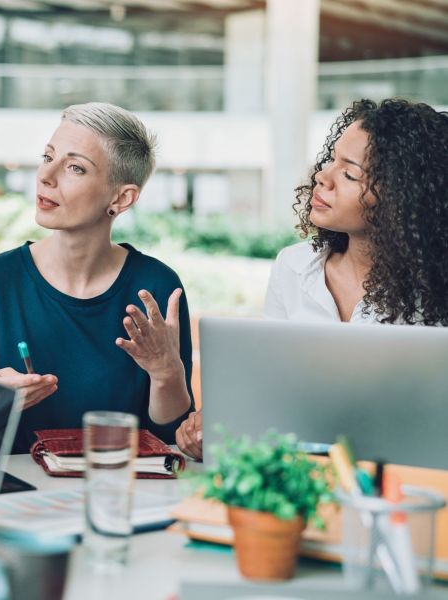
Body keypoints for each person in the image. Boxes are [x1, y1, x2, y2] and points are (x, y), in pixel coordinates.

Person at [176, 98, 448, 461]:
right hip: (303, 471)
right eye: (330, 160)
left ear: (402, 200)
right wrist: (219, 421)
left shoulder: (433, 293)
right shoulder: (294, 266)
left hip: (407, 479)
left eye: (350, 174)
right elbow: (272, 387)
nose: (323, 176)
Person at [0, 102, 195, 453]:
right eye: (48, 157)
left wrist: (167, 373)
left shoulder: (155, 290)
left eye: (75, 167)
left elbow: (170, 439)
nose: (46, 176)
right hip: (12, 496)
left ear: (121, 198)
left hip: (119, 490)